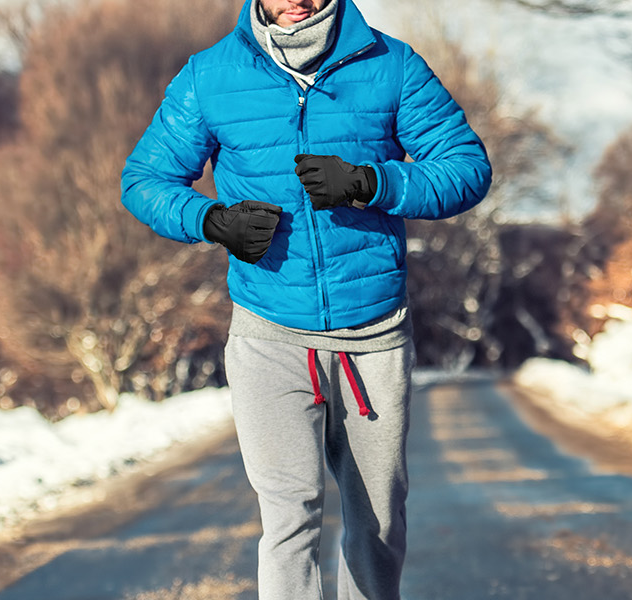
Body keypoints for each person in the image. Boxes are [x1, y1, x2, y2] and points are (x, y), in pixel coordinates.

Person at [119, 0, 491, 597]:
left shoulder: (390, 65)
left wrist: (373, 183)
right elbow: (144, 179)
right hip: (269, 331)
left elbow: (467, 168)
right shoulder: (210, 75)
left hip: (371, 333)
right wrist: (212, 220)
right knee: (289, 517)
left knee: (377, 522)